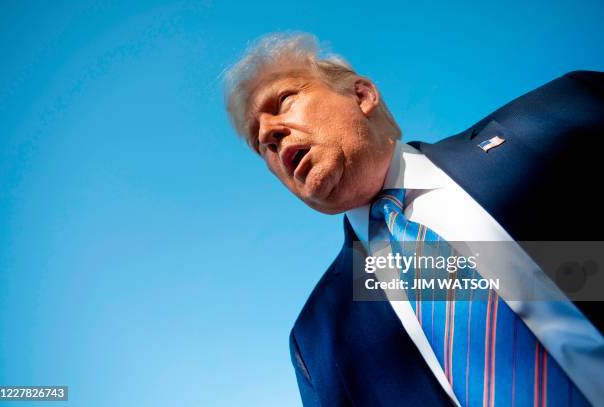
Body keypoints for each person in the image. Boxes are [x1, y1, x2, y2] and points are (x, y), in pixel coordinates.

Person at [224, 33, 604, 406]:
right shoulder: (314, 342)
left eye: (285, 100)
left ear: (362, 95)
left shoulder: (561, 113)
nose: (269, 134)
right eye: (262, 146)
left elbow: (588, 272)